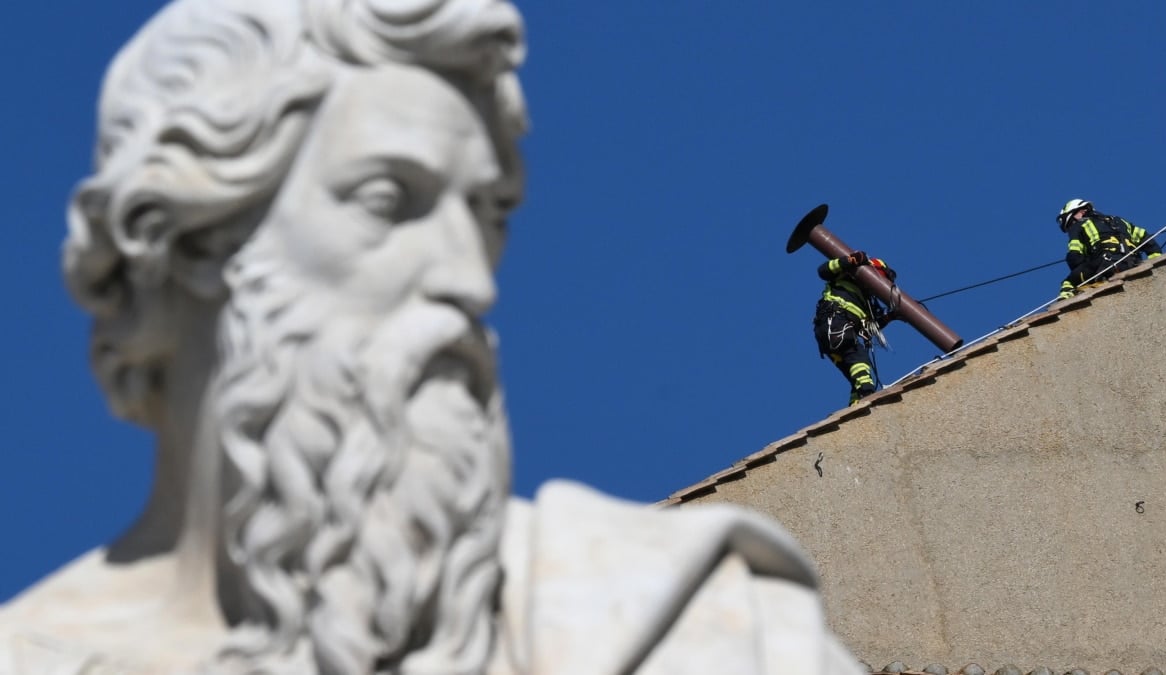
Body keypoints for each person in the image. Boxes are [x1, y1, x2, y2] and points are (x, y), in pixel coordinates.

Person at [0, 1, 864, 674]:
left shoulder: (678, 633)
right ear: (190, 244)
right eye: (388, 200)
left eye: (486, 216)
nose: (470, 277)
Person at [813, 250, 897, 405]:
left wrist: (889, 317)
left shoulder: (866, 303)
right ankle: (867, 395)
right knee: (858, 356)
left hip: (832, 332)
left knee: (856, 373)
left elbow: (867, 330)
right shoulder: (845, 275)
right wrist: (849, 261)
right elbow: (823, 270)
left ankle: (856, 405)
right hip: (835, 322)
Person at [1056, 198, 1162, 299]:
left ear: (1082, 211)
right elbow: (1148, 241)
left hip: (1106, 266)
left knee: (1069, 282)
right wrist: (1156, 265)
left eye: (1070, 222)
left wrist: (1088, 265)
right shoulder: (1118, 221)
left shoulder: (1079, 226)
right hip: (1133, 264)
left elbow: (1074, 258)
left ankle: (1066, 304)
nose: (1071, 227)